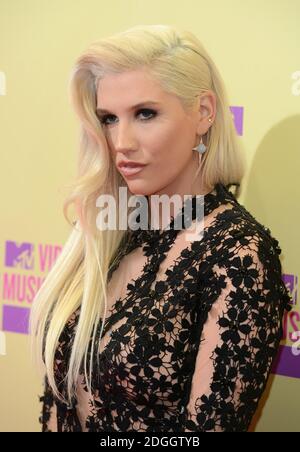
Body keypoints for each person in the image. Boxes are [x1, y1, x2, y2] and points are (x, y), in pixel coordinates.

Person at [30, 24, 292, 432]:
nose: (122, 142)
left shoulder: (237, 254)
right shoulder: (107, 228)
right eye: (109, 119)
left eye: (145, 113)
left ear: (204, 112)